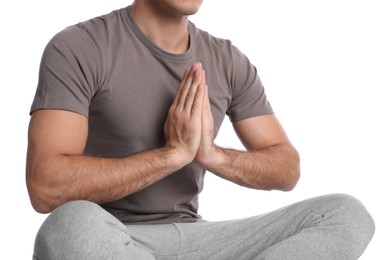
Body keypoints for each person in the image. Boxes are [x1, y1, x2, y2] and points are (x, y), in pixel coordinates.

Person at [27, 0, 375, 259]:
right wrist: (170, 156)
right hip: (114, 240)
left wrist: (212, 155)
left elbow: (286, 168)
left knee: (344, 213)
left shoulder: (227, 60)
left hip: (202, 241)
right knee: (69, 223)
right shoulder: (80, 47)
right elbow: (46, 187)